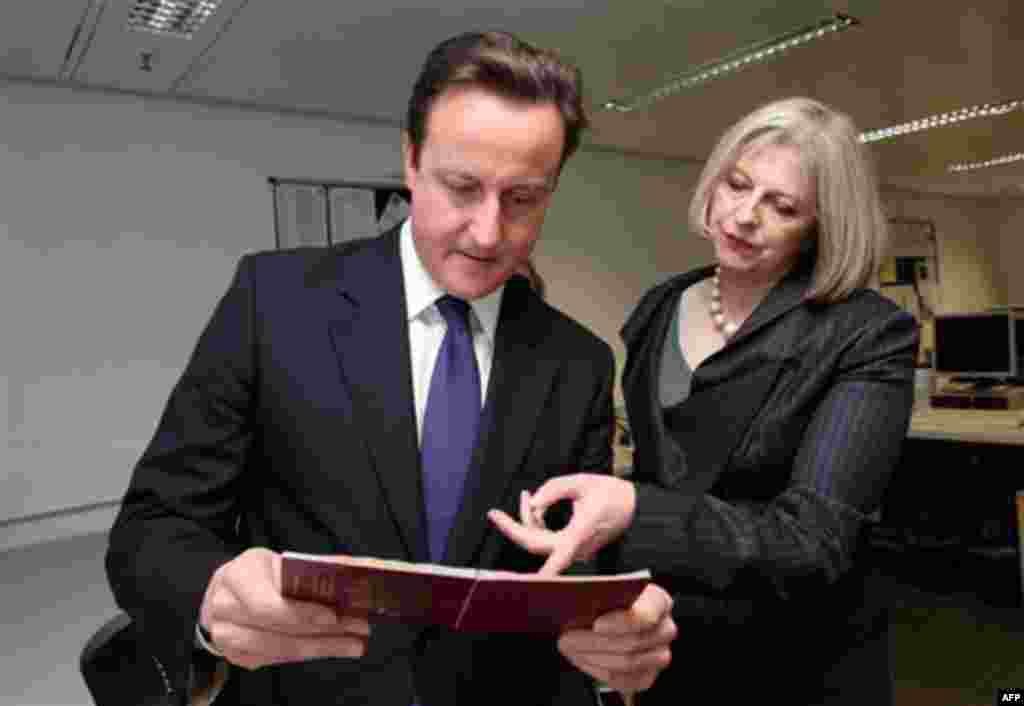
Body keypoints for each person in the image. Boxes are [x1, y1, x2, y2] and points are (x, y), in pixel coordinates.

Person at [105, 30, 675, 706]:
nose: (489, 233)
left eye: (524, 198)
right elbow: (153, 527)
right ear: (410, 160)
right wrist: (209, 599)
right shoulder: (274, 302)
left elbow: (574, 564)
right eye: (462, 187)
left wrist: (619, 626)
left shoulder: (578, 362)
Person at [489, 96, 920, 705]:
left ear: (823, 225)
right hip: (673, 646)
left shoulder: (867, 333)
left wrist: (635, 509)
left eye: (783, 206)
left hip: (801, 664)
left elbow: (815, 543)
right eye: (737, 185)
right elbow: (660, 472)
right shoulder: (659, 307)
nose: (745, 216)